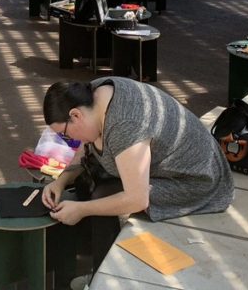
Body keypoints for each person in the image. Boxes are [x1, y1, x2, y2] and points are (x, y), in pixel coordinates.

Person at [41, 79, 233, 264]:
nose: (68, 139)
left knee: (104, 195)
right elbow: (89, 150)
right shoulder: (93, 94)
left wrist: (81, 210)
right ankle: (87, 257)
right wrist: (61, 180)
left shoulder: (125, 126)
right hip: (181, 159)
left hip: (197, 179)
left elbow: (137, 199)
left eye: (65, 134)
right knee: (90, 179)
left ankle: (100, 275)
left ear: (76, 115)